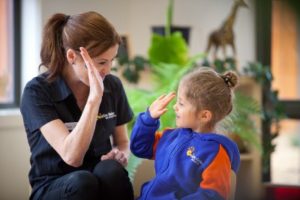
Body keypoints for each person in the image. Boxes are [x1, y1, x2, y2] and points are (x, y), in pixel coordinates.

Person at [20, 11, 134, 200]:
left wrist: (121, 155)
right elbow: (72, 157)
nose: (108, 70)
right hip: (53, 185)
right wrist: (94, 100)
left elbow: (122, 142)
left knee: (111, 171)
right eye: (101, 62)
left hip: (99, 176)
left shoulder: (113, 86)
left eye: (112, 60)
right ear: (72, 56)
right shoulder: (37, 92)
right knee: (83, 182)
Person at [130, 67, 241, 200]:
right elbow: (140, 148)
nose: (174, 106)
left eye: (181, 103)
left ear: (204, 116)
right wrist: (148, 119)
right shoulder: (170, 137)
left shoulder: (216, 153)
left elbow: (213, 195)